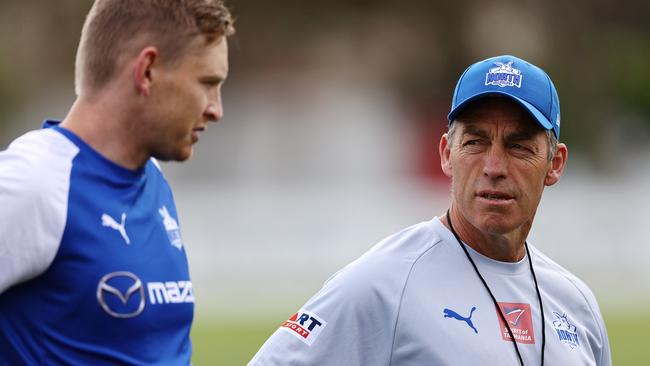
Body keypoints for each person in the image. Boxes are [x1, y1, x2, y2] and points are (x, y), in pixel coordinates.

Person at [249, 55, 611, 365]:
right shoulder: (382, 283)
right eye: (475, 142)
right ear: (446, 154)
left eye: (518, 146)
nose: (494, 166)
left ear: (555, 164)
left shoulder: (576, 304)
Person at [0, 0, 234, 364]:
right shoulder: (36, 184)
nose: (216, 109)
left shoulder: (153, 180)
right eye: (207, 83)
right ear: (148, 71)